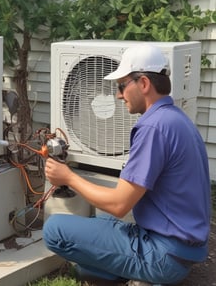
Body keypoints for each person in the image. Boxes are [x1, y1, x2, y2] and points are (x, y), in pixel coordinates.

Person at [43, 44, 211, 286]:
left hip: (166, 256)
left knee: (55, 229)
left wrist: (67, 177)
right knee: (100, 222)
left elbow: (119, 204)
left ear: (143, 84)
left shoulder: (152, 128)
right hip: (184, 249)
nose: (118, 95)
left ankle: (136, 276)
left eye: (121, 86)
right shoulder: (176, 118)